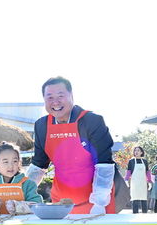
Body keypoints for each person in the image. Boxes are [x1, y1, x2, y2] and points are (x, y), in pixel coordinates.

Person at [26, 77, 117, 214]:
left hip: (95, 203)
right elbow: (39, 165)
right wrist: (23, 193)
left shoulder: (92, 121)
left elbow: (104, 165)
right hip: (61, 203)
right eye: (49, 97)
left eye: (60, 96)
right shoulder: (41, 125)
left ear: (71, 96)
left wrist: (99, 203)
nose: (55, 102)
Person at [125, 146, 152, 213]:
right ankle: (135, 214)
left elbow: (147, 172)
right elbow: (129, 171)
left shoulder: (145, 161)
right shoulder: (131, 161)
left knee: (144, 198)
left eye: (138, 150)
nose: (136, 152)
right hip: (135, 183)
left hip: (143, 183)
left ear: (141, 152)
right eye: (135, 150)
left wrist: (149, 181)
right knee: (135, 198)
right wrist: (126, 180)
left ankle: (145, 215)